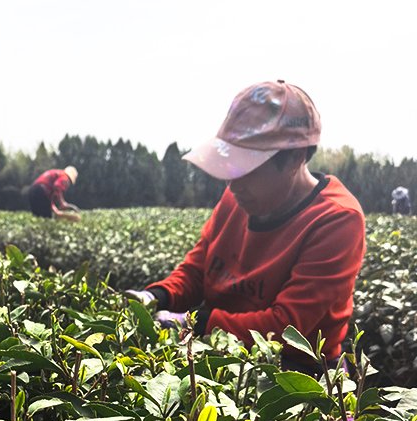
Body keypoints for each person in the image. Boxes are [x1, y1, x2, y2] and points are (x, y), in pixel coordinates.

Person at [126, 81, 365, 372]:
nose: (232, 183)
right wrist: (156, 297)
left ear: (294, 158)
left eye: (247, 168)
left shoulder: (337, 218)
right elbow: (197, 270)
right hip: (220, 354)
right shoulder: (237, 198)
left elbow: (286, 328)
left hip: (296, 374)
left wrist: (195, 323)